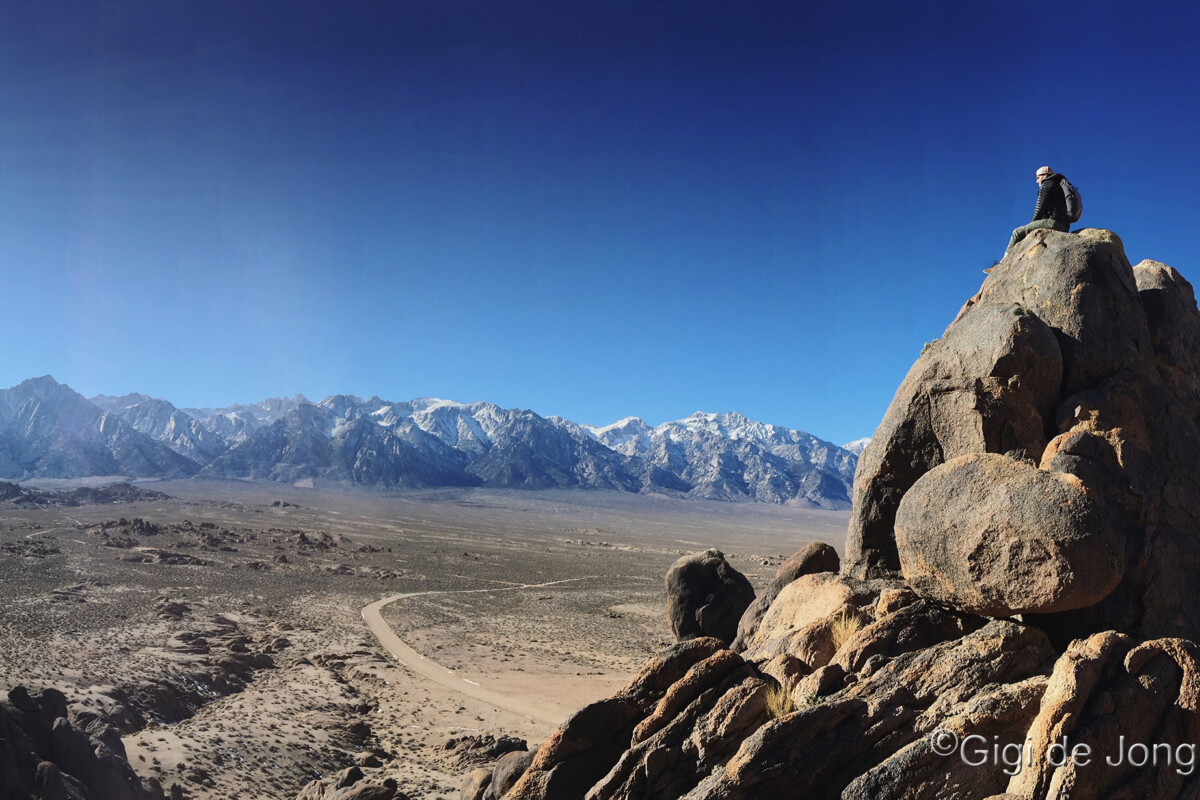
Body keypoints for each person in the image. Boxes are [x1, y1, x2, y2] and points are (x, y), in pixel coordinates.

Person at [990, 166, 1072, 270]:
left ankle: (1003, 262)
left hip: (1054, 222)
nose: (1036, 181)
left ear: (1045, 175)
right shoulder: (1058, 186)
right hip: (1064, 225)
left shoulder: (1047, 184)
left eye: (1038, 178)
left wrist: (1031, 225)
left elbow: (1039, 207)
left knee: (1017, 232)